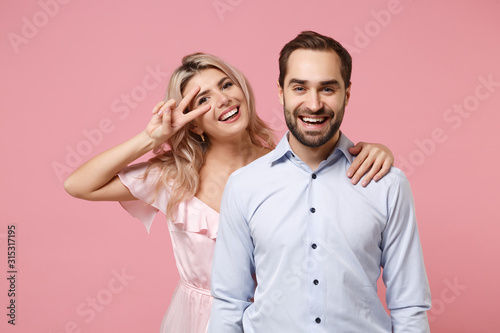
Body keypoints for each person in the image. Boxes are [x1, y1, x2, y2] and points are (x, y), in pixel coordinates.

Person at [64, 52, 395, 333]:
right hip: (201, 320)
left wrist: (375, 151)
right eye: (203, 99)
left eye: (226, 85)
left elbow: (335, 190)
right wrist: (151, 138)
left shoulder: (288, 165)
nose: (223, 100)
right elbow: (79, 184)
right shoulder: (174, 176)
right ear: (191, 122)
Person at [208, 31, 431, 333]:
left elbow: (409, 305)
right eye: (300, 87)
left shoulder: (388, 184)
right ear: (281, 92)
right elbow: (229, 302)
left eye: (327, 89)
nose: (313, 104)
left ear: (347, 94)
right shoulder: (244, 186)